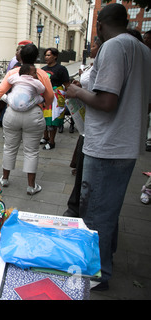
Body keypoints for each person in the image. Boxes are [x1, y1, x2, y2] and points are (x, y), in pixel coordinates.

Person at [66, 3, 151, 291]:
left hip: (107, 145)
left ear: (99, 24)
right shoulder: (143, 50)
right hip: (125, 143)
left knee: (95, 214)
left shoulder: (114, 47)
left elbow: (106, 102)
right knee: (108, 210)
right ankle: (105, 263)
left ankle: (96, 274)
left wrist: (77, 91)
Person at [0, 44, 54, 195]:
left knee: (9, 147)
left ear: (21, 57)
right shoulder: (41, 74)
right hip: (34, 115)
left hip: (12, 114)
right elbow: (50, 96)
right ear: (36, 58)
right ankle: (31, 186)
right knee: (31, 151)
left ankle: (5, 179)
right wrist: (43, 104)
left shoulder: (13, 72)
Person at [63, 37, 102, 218]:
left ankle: (79, 208)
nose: (91, 48)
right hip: (87, 122)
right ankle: (75, 206)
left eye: (93, 45)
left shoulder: (105, 64)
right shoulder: (95, 65)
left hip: (95, 124)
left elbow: (105, 99)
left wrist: (78, 91)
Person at [41, 48, 71, 149]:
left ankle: (52, 141)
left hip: (56, 97)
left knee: (53, 119)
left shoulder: (61, 69)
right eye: (45, 55)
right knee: (44, 117)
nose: (46, 57)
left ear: (55, 56)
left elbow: (67, 84)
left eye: (49, 55)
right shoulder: (43, 69)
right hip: (45, 96)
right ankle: (45, 137)